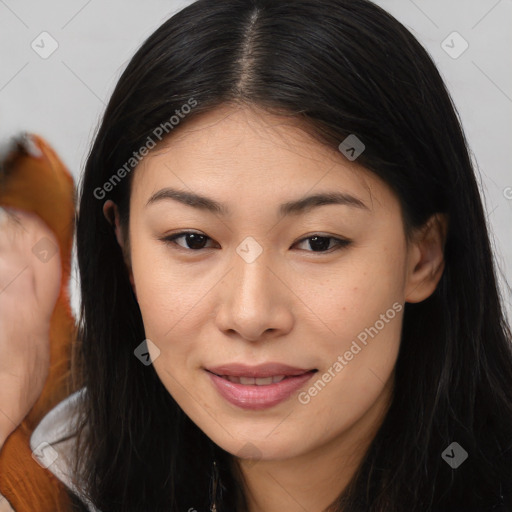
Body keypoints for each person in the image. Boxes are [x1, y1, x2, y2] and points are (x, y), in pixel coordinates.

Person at [1, 0, 512, 510]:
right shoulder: (47, 484)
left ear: (422, 256)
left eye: (318, 242)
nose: (250, 315)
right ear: (126, 249)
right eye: (193, 240)